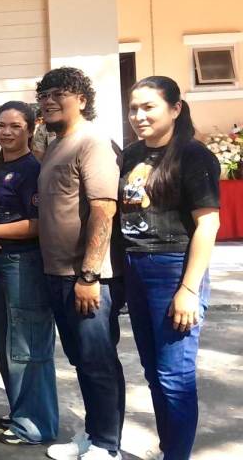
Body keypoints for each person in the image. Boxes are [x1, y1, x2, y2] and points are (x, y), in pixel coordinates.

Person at [120, 76, 220, 460]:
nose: (139, 116)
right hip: (135, 266)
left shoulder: (193, 156)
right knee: (154, 373)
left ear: (175, 109)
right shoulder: (131, 155)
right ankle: (169, 450)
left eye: (149, 107)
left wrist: (189, 289)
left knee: (174, 376)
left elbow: (208, 224)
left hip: (173, 269)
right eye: (134, 108)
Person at [35, 67, 124, 460]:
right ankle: (93, 434)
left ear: (82, 99)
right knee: (83, 362)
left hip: (87, 279)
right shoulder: (57, 144)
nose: (49, 101)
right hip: (57, 274)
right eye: (44, 95)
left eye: (59, 94)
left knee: (98, 362)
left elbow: (104, 209)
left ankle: (107, 445)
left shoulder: (93, 142)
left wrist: (89, 275)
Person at [0, 101, 58, 446]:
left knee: (28, 346)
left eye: (15, 126)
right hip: (3, 264)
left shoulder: (32, 169)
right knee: (7, 343)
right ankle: (22, 410)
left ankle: (36, 425)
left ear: (30, 128)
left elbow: (39, 224)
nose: (6, 132)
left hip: (26, 266)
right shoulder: (1, 165)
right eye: (1, 125)